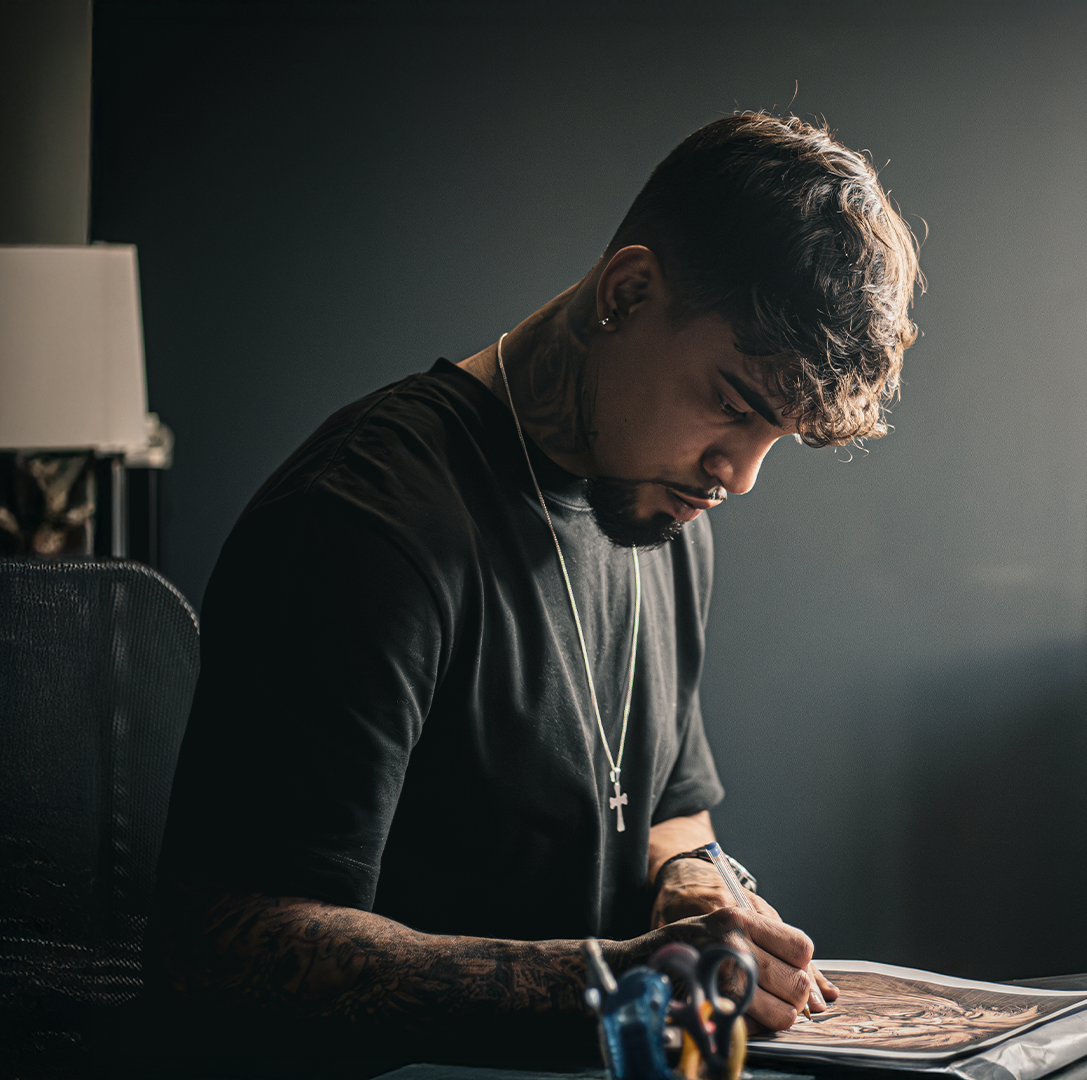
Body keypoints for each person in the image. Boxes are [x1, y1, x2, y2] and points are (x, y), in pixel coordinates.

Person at [143, 112, 921, 1077]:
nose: (741, 475)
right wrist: (609, 982)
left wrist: (690, 882)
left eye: (779, 437)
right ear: (627, 293)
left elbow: (669, 804)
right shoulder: (363, 523)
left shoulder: (665, 513)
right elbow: (221, 946)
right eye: (732, 403)